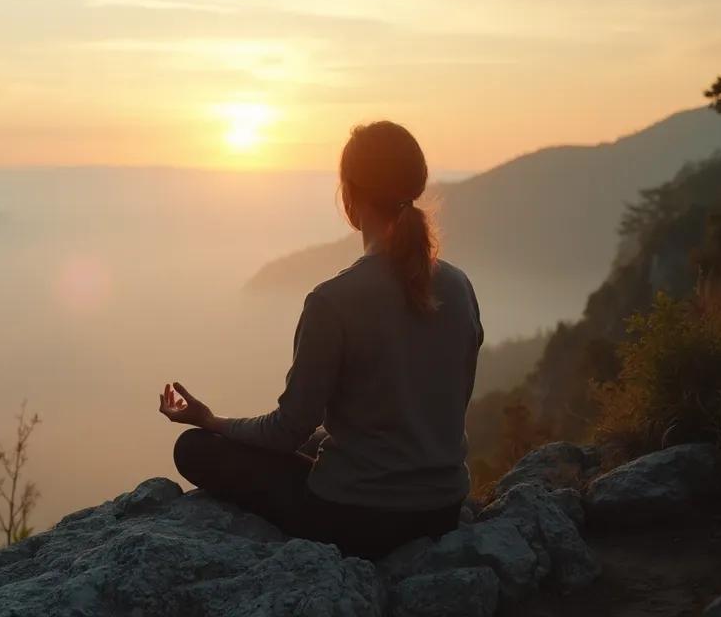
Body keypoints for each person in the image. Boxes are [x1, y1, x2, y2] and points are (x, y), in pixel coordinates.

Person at [159, 121, 482, 559]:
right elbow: (453, 398)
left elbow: (287, 430)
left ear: (349, 195)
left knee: (194, 450)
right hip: (444, 507)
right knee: (319, 441)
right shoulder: (459, 286)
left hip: (357, 519)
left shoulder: (332, 301)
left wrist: (212, 421)